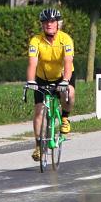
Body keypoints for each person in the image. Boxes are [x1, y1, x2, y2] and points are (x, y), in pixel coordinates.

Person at [26, 8, 75, 162]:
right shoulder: (36, 41)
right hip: (42, 78)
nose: (49, 24)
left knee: (70, 93)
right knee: (39, 111)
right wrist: (30, 81)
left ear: (58, 24)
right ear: (42, 24)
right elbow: (32, 63)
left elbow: (68, 62)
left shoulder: (66, 39)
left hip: (62, 76)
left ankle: (65, 118)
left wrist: (65, 81)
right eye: (45, 22)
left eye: (52, 21)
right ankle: (39, 147)